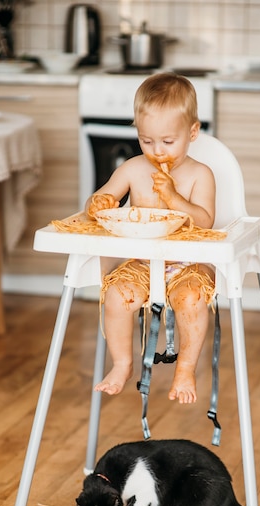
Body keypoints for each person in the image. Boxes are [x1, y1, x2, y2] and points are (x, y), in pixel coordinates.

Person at [86, 72, 216, 404]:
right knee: (117, 297)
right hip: (140, 262)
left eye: (168, 142)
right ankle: (122, 363)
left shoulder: (200, 174)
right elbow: (101, 199)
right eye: (146, 141)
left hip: (187, 264)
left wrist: (174, 198)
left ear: (192, 132)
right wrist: (98, 203)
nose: (157, 151)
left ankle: (185, 367)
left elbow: (204, 221)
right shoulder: (132, 169)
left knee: (192, 300)